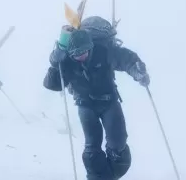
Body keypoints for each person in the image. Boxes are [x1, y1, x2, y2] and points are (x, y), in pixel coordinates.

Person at [43, 24, 150, 180]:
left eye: (84, 51)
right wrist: (54, 65)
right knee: (92, 145)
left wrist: (137, 71)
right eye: (76, 54)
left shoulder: (103, 51)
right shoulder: (67, 62)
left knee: (118, 142)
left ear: (90, 46)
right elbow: (52, 85)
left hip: (109, 101)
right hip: (85, 104)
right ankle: (97, 177)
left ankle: (109, 173)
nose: (81, 56)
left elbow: (126, 59)